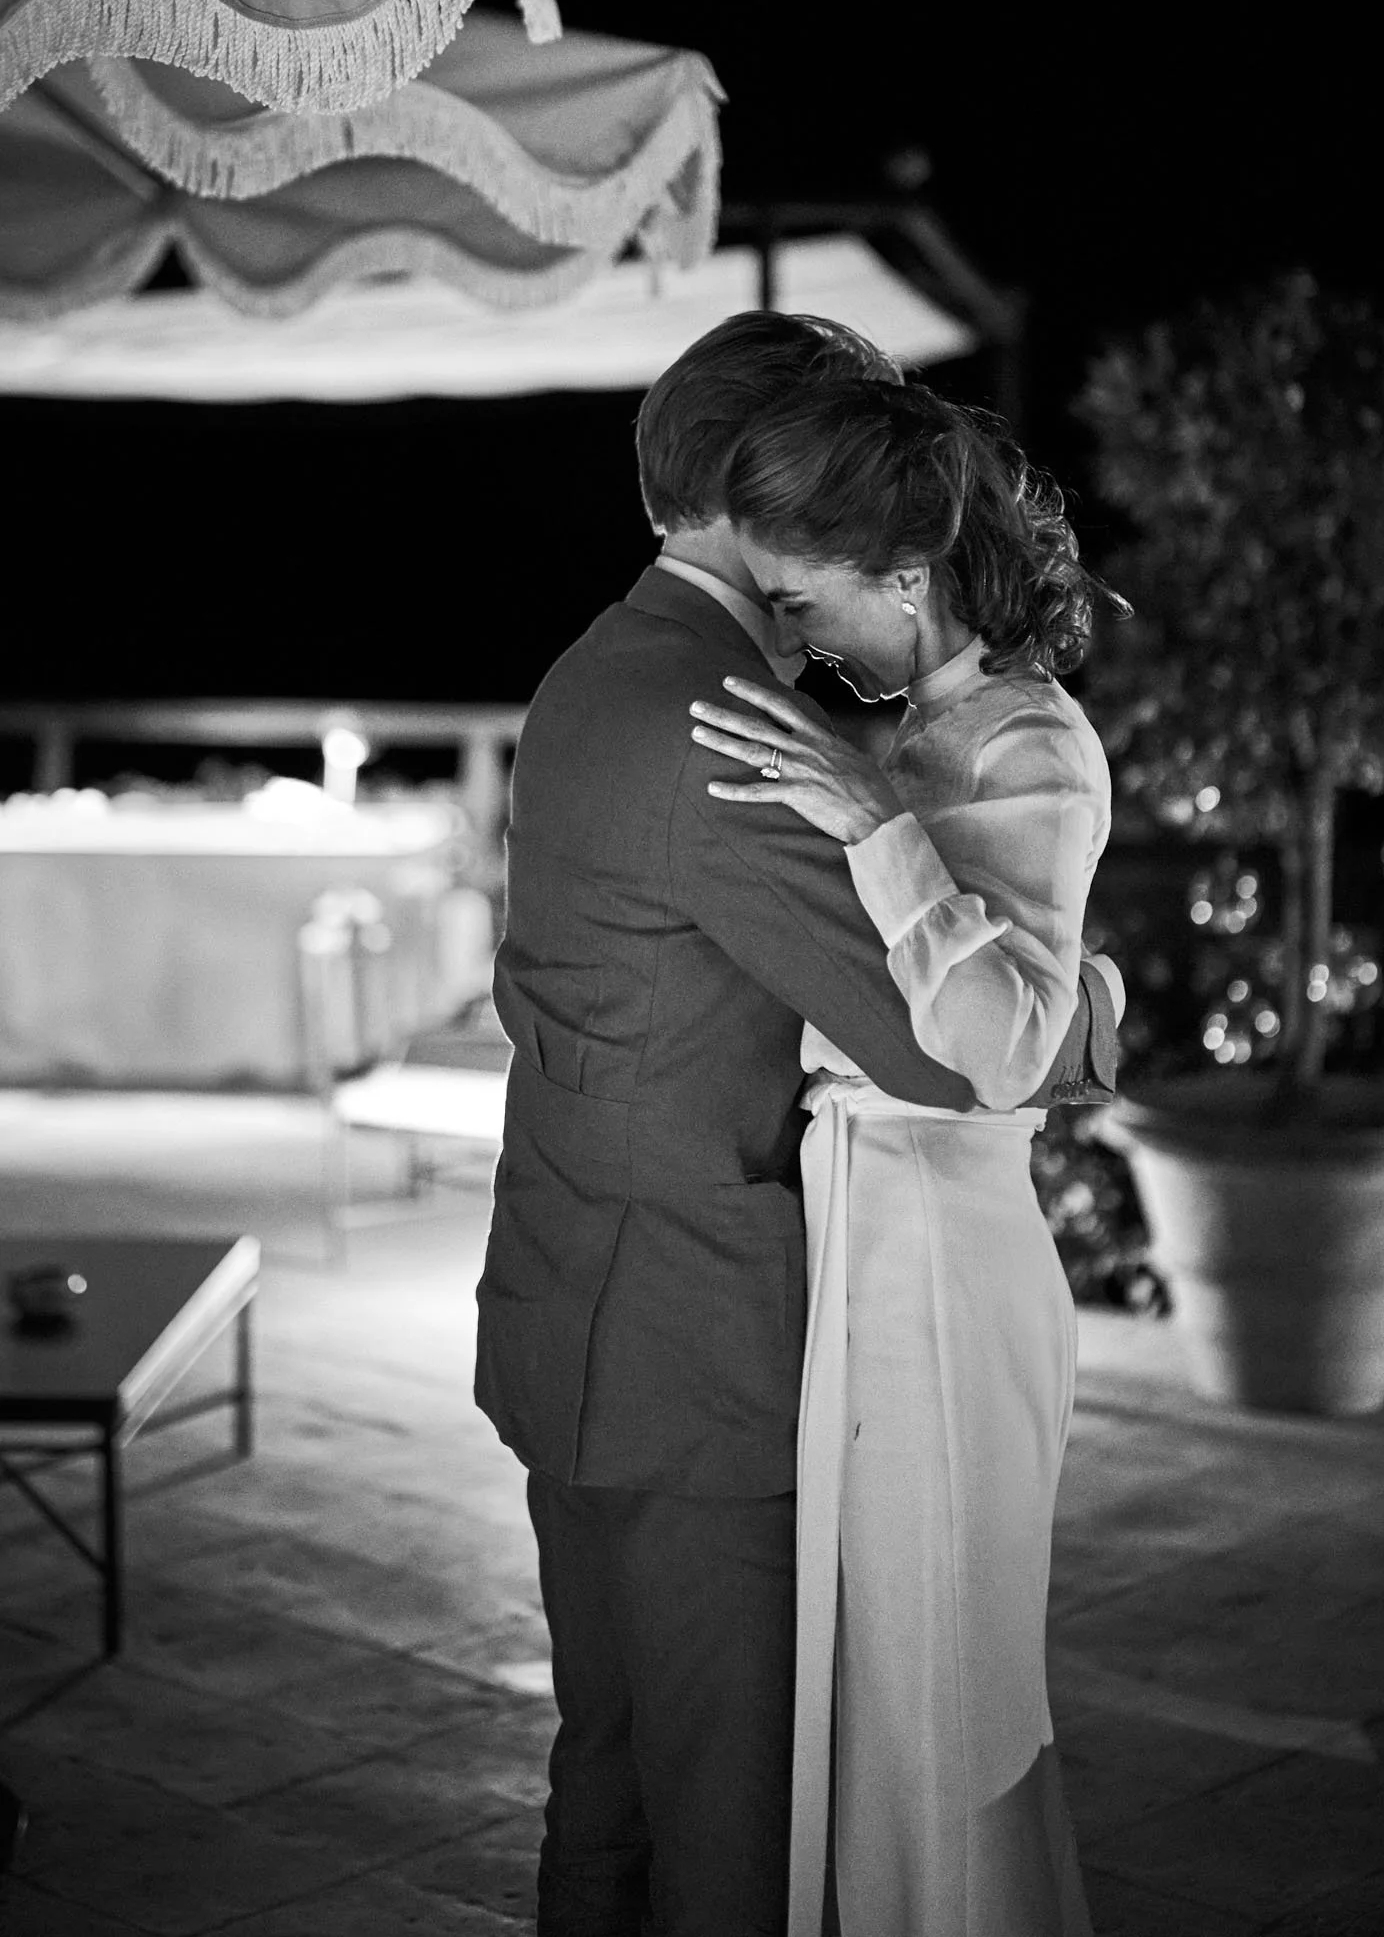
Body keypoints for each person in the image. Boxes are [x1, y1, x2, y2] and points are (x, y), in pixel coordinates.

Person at [476, 311, 1116, 1937]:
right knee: (724, 1826)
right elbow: (946, 1050)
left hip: (572, 1297)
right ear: (771, 496)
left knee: (610, 1772)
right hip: (687, 1345)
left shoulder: (592, 665)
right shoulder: (730, 724)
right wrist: (1098, 1011)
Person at [688, 372, 1125, 1937]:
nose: (795, 638)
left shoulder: (1026, 745)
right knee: (877, 1665)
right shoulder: (912, 725)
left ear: (904, 572)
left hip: (942, 1245)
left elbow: (1009, 1045)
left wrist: (874, 823)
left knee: (937, 1673)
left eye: (803, 599)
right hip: (868, 1217)